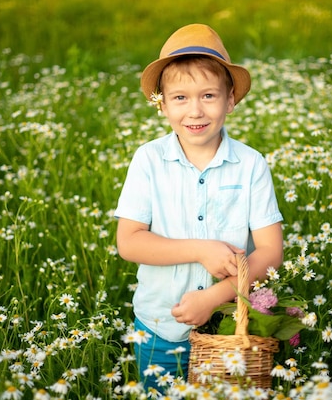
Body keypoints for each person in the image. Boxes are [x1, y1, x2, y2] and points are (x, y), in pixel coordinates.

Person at [114, 23, 283, 391]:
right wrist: (200, 250)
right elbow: (128, 242)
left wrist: (213, 297)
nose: (195, 110)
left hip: (229, 326)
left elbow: (271, 250)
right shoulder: (148, 160)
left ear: (231, 99)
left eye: (209, 95)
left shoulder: (251, 164)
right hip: (159, 324)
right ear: (162, 104)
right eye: (180, 98)